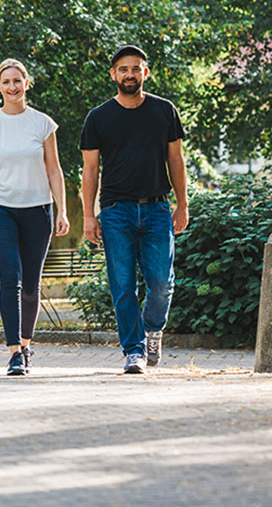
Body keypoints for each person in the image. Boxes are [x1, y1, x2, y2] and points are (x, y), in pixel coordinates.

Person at [80, 45, 188, 374]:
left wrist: (182, 204)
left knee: (161, 283)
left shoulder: (164, 110)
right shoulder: (98, 117)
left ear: (145, 72)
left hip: (157, 208)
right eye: (123, 69)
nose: (130, 74)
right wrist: (88, 214)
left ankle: (153, 330)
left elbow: (175, 159)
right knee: (123, 286)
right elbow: (90, 169)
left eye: (136, 68)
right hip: (115, 211)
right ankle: (134, 350)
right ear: (113, 74)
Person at [0, 60, 69, 376]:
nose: (12, 87)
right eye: (6, 81)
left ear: (26, 83)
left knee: (31, 285)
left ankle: (26, 345)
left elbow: (54, 170)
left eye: (17, 80)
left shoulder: (43, 124)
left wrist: (62, 210)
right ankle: (13, 352)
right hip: (0, 209)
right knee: (10, 276)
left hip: (38, 210)